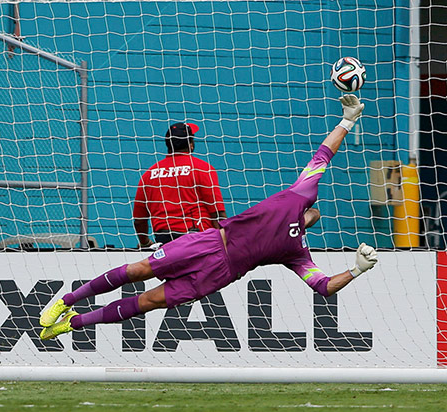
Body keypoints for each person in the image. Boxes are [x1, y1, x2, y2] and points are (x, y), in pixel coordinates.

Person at [40, 95, 378, 340]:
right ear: (309, 209)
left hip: (219, 272)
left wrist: (357, 270)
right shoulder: (299, 193)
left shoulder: (298, 253)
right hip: (208, 241)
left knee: (149, 302)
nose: (315, 213)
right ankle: (65, 301)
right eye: (315, 210)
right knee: (138, 270)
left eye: (315, 215)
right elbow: (324, 153)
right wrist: (347, 121)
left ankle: (73, 323)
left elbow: (323, 287)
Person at [133, 122, 227, 247]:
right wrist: (225, 243)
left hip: (165, 242)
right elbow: (217, 214)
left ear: (168, 145)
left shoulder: (148, 175)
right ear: (191, 145)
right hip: (198, 241)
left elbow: (139, 221)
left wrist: (145, 243)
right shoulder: (203, 168)